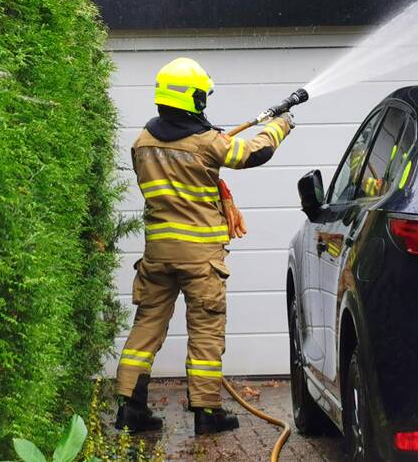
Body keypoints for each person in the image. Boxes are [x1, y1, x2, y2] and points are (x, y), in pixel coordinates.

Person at [114, 57, 294, 435]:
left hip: (158, 256)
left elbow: (183, 158)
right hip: (201, 259)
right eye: (201, 96)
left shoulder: (141, 143)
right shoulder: (207, 142)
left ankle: (130, 407)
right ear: (191, 98)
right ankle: (207, 413)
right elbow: (252, 153)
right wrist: (280, 126)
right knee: (206, 330)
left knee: (146, 327)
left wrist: (208, 141)